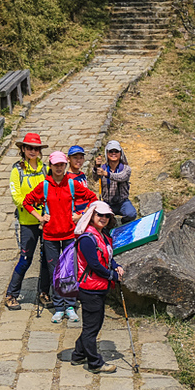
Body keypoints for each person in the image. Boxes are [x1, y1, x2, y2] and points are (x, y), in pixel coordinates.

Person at [23, 151, 98, 323]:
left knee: (69, 270)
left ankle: (70, 306)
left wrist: (80, 215)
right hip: (50, 236)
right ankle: (59, 306)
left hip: (69, 234)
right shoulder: (45, 186)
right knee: (55, 271)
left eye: (62, 165)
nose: (59, 168)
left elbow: (92, 198)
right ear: (50, 166)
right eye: (56, 165)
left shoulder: (71, 184)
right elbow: (27, 202)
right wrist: (40, 218)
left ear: (65, 165)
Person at [70, 201, 124, 374]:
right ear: (91, 215)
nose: (104, 218)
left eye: (107, 216)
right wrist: (111, 275)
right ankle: (95, 363)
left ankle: (78, 354)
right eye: (100, 215)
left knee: (93, 325)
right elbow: (94, 264)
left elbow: (106, 255)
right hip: (90, 289)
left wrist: (115, 265)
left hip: (98, 287)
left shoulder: (102, 235)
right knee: (91, 328)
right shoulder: (87, 238)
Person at [3, 132, 49, 311]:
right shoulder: (17, 171)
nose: (32, 151)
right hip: (27, 222)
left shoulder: (45, 169)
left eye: (36, 148)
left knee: (46, 258)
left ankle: (44, 292)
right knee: (25, 259)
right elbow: (17, 198)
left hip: (46, 221)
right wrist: (37, 215)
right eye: (29, 147)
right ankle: (11, 294)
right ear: (23, 149)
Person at [94, 140, 137, 222]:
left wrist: (107, 174)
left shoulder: (126, 168)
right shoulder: (102, 168)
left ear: (120, 153)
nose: (113, 153)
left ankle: (122, 223)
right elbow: (95, 178)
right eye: (111, 151)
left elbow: (121, 177)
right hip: (108, 203)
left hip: (122, 202)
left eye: (116, 151)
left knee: (131, 214)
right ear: (107, 153)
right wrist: (96, 167)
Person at [66, 145, 91, 216]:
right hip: (77, 213)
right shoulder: (68, 178)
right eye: (75, 158)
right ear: (68, 159)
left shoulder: (82, 174)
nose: (78, 160)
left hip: (86, 210)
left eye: (81, 158)